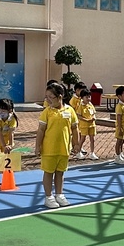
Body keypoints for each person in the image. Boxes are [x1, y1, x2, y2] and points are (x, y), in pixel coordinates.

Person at [35, 81, 79, 209]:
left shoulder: (69, 110)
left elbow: (75, 128)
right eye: (46, 97)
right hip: (49, 149)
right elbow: (41, 130)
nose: (48, 100)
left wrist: (76, 144)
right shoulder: (47, 112)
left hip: (64, 148)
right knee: (48, 173)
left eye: (51, 97)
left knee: (60, 172)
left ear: (60, 96)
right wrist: (37, 146)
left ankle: (59, 194)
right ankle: (48, 196)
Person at [76, 88, 99, 160]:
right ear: (82, 98)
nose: (88, 98)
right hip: (84, 125)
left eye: (89, 97)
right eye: (86, 97)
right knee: (83, 139)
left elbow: (93, 113)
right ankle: (78, 152)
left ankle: (92, 153)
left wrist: (93, 117)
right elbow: (79, 115)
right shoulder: (81, 106)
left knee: (92, 139)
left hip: (92, 125)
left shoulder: (90, 105)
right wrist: (85, 120)